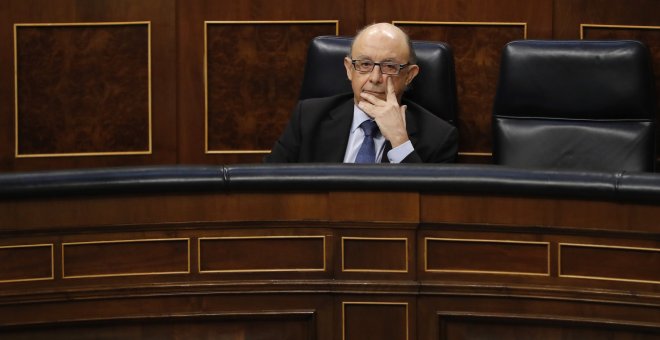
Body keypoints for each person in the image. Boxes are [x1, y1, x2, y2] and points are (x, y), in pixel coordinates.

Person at [265, 23, 458, 163]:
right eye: (365, 64)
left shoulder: (439, 137)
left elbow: (429, 207)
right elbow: (268, 184)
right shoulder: (308, 118)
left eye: (389, 66)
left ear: (409, 75)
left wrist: (400, 141)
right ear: (349, 69)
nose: (375, 78)